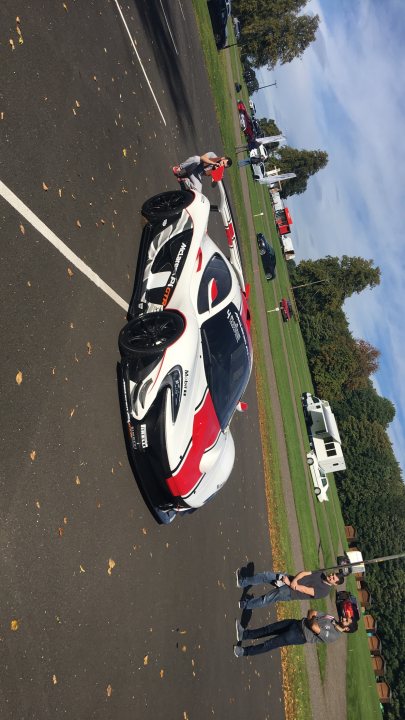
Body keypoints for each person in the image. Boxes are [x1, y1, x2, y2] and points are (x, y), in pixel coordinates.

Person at [233, 609, 357, 657]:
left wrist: (312, 621)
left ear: (346, 629)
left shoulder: (334, 636)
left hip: (298, 636)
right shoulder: (331, 618)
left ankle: (243, 652)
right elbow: (312, 611)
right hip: (296, 623)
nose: (343, 618)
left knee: (269, 644)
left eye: (346, 620)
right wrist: (311, 621)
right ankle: (244, 634)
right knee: (268, 629)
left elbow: (314, 627)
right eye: (346, 617)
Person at [236, 567, 344, 610]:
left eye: (333, 578)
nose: (331, 576)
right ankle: (242, 582)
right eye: (332, 574)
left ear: (335, 584)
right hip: (290, 579)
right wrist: (294, 580)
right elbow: (304, 573)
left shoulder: (324, 591)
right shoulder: (321, 574)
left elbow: (305, 590)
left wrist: (292, 584)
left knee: (267, 599)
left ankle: (245, 605)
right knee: (266, 576)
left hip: (290, 592)